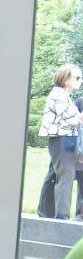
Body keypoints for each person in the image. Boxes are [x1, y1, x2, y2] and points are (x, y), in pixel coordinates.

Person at [35, 64, 81, 220]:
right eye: (77, 78)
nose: (80, 81)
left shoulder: (64, 95)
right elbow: (71, 119)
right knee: (66, 176)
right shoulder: (58, 95)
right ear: (66, 79)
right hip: (61, 140)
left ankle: (49, 212)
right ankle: (61, 216)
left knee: (60, 174)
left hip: (67, 139)